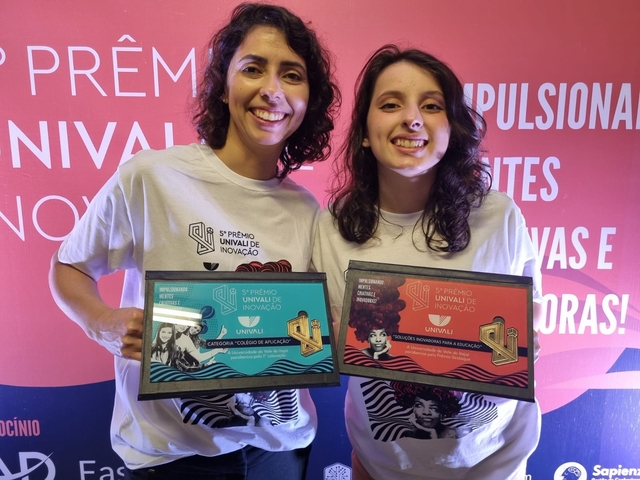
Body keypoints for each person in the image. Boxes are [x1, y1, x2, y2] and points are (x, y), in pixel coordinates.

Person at [49, 3, 339, 479]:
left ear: (308, 99)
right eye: (253, 69)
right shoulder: (152, 177)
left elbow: (313, 326)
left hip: (280, 448)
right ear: (223, 86)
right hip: (170, 456)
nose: (272, 90)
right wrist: (99, 321)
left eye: (292, 75)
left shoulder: (308, 211)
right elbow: (69, 266)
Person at [312, 45, 542, 479]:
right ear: (365, 132)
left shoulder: (499, 217)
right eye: (390, 104)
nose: (412, 118)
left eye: (431, 106)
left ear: (452, 128)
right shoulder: (331, 226)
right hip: (381, 464)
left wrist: (514, 346)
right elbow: (318, 338)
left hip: (491, 463)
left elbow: (529, 330)